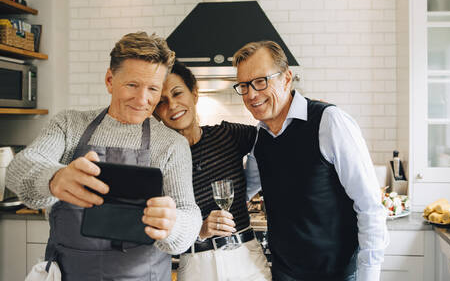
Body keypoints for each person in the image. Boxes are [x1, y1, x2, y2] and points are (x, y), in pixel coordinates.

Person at [6, 32, 202, 281]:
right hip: (70, 274)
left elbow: (189, 214)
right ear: (110, 80)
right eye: (132, 85)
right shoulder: (69, 125)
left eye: (153, 88)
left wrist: (173, 225)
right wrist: (55, 178)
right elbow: (18, 168)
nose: (143, 100)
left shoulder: (172, 144)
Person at [232, 41, 389, 281]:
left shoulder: (330, 122)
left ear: (286, 78)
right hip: (284, 274)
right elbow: (242, 192)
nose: (251, 94)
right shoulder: (258, 138)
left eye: (261, 81)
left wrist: (368, 276)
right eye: (244, 85)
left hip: (337, 275)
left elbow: (370, 207)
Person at [154, 61, 271, 281]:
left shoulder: (226, 135)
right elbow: (162, 227)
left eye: (178, 93)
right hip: (197, 265)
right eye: (161, 102)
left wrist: (309, 118)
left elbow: (269, 135)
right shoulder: (159, 159)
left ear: (194, 93)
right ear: (155, 113)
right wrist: (199, 230)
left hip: (245, 258)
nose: (172, 105)